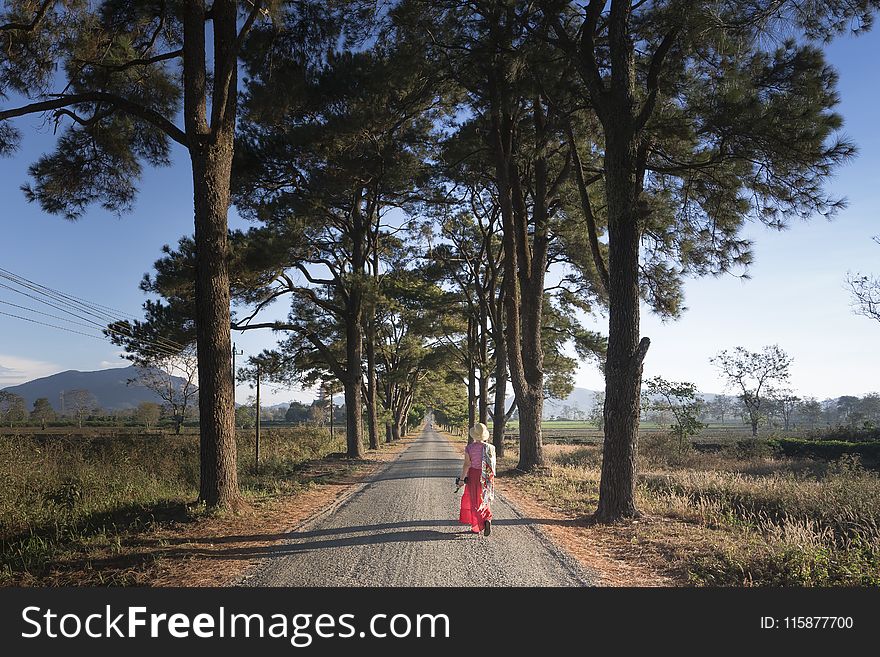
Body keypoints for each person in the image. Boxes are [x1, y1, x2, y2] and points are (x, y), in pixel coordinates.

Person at [457, 422, 496, 536]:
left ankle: (478, 526)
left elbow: (467, 464)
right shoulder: (490, 448)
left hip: (474, 475)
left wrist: (461, 479)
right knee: (484, 498)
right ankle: (487, 518)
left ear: (474, 435)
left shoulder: (469, 448)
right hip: (487, 476)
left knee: (475, 501)